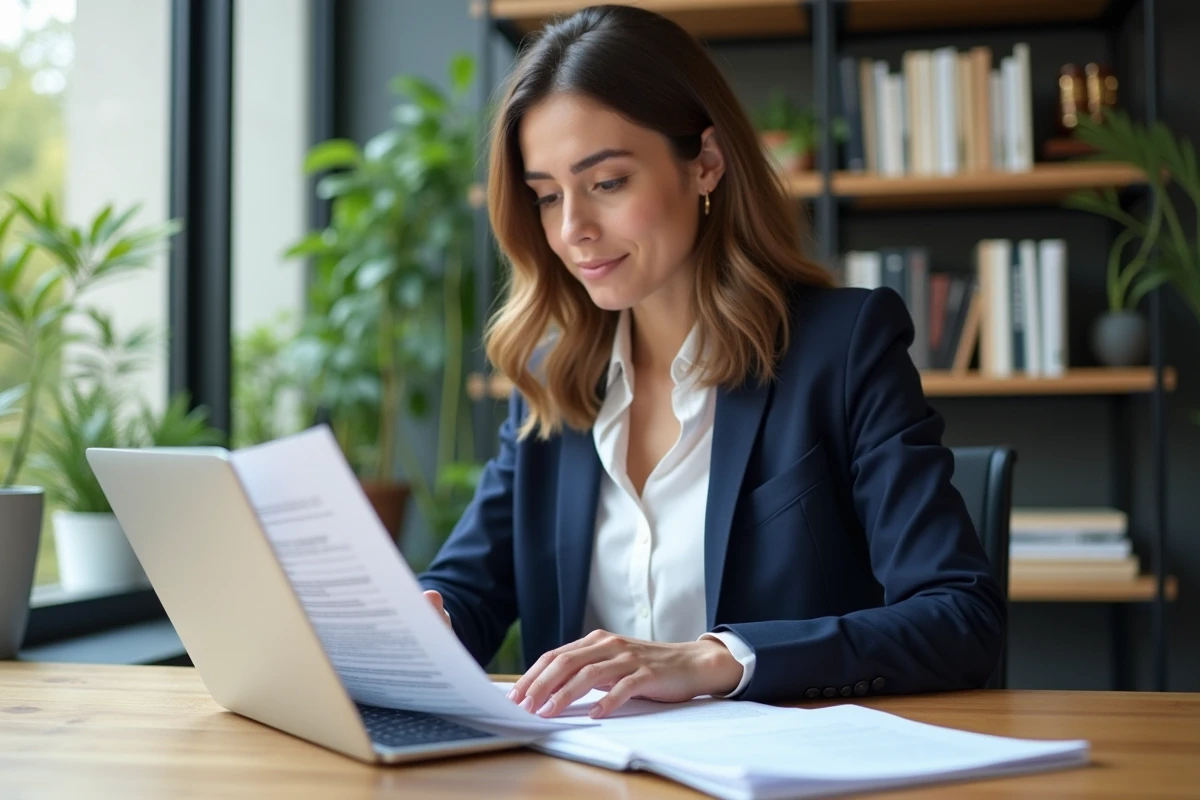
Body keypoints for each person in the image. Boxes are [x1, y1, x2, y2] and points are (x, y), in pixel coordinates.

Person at [418, 4, 1004, 720]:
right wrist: (414, 626)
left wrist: (717, 659)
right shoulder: (554, 374)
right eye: (546, 197)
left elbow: (961, 618)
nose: (573, 231)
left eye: (606, 183)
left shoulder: (843, 349)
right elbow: (466, 595)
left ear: (706, 164)